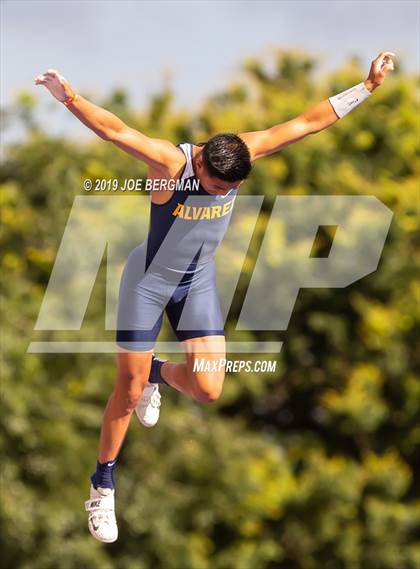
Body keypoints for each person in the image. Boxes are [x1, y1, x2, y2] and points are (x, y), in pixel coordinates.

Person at [35, 50, 395, 543]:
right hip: (149, 281)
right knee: (128, 390)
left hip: (196, 280)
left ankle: (160, 371)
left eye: (234, 188)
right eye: (219, 186)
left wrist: (367, 87)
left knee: (208, 389)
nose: (227, 192)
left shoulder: (239, 152)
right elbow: (116, 131)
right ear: (200, 165)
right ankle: (102, 485)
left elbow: (307, 122)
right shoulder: (169, 163)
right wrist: (69, 97)